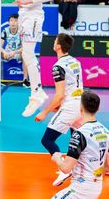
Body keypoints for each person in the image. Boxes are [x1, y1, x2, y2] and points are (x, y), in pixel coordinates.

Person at [32, 90, 109, 199]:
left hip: (80, 191)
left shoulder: (79, 135)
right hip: (95, 188)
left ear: (80, 108)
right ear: (98, 108)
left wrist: (57, 157)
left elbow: (66, 168)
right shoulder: (105, 131)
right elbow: (107, 165)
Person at [35, 33, 84, 184]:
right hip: (81, 106)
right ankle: (96, 169)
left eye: (55, 41)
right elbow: (73, 88)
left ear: (58, 46)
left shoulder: (58, 66)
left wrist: (44, 112)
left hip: (70, 107)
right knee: (79, 139)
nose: (54, 42)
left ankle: (64, 169)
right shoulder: (75, 61)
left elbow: (60, 95)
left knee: (47, 140)